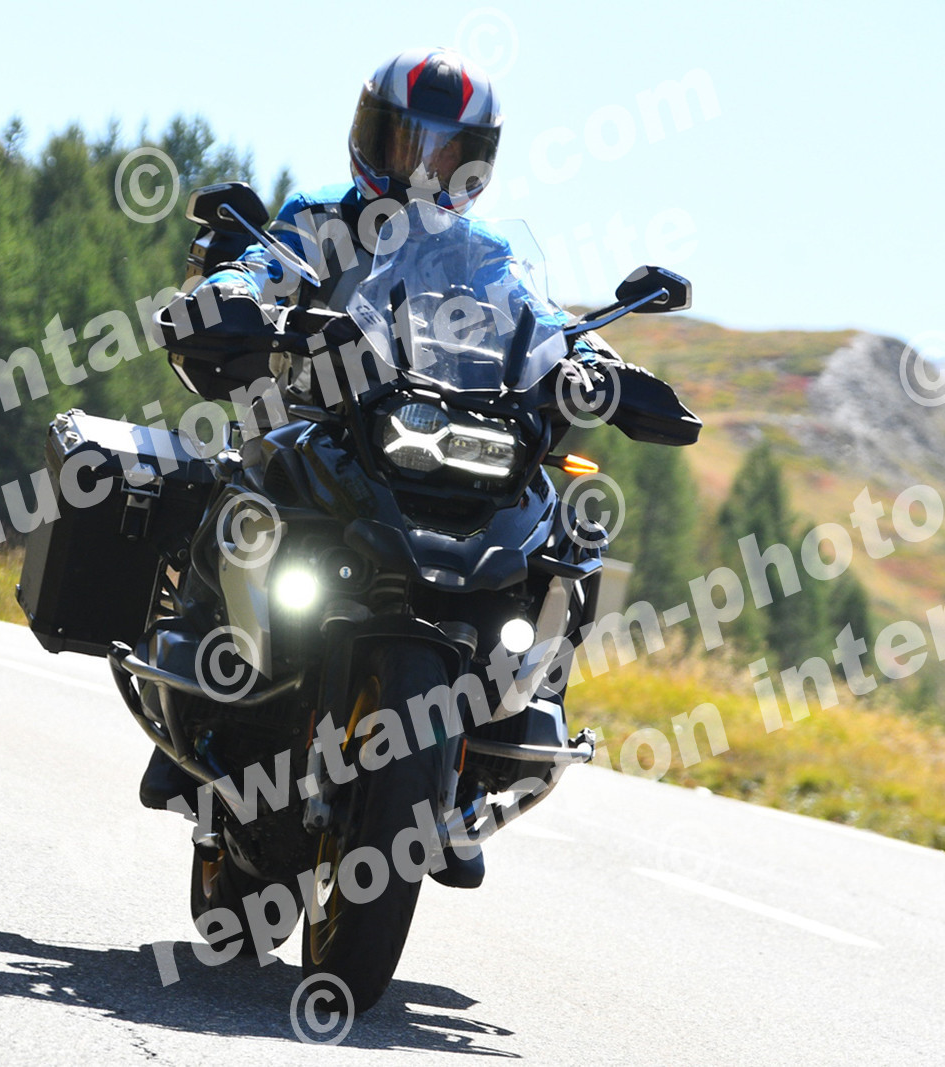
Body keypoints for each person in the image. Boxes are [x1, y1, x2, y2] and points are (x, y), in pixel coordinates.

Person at [142, 47, 632, 888]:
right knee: (240, 480)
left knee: (560, 535)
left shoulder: (485, 255)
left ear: (477, 163)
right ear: (370, 136)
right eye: (408, 141)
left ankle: (481, 744)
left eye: (447, 151)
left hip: (443, 441)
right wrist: (237, 291)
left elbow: (539, 315)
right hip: (324, 425)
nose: (422, 166)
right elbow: (261, 264)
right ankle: (202, 673)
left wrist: (591, 361)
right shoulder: (317, 218)